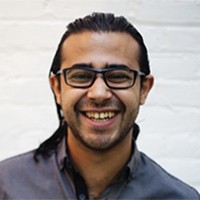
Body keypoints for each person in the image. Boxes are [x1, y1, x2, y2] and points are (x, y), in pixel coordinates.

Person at [0, 12, 199, 200]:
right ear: (57, 88)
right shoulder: (6, 186)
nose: (99, 94)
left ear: (144, 89)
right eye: (81, 76)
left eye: (118, 76)